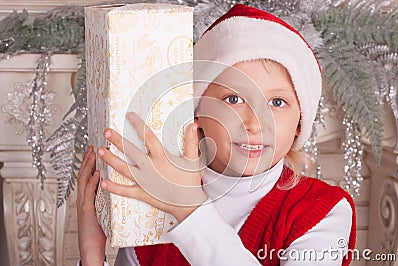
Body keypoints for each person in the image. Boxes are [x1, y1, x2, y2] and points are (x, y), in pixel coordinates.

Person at [77, 4, 356, 266]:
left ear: (299, 123)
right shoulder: (151, 209)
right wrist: (92, 254)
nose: (255, 123)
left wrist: (189, 210)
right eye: (233, 99)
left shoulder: (322, 212)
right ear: (197, 110)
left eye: (277, 103)